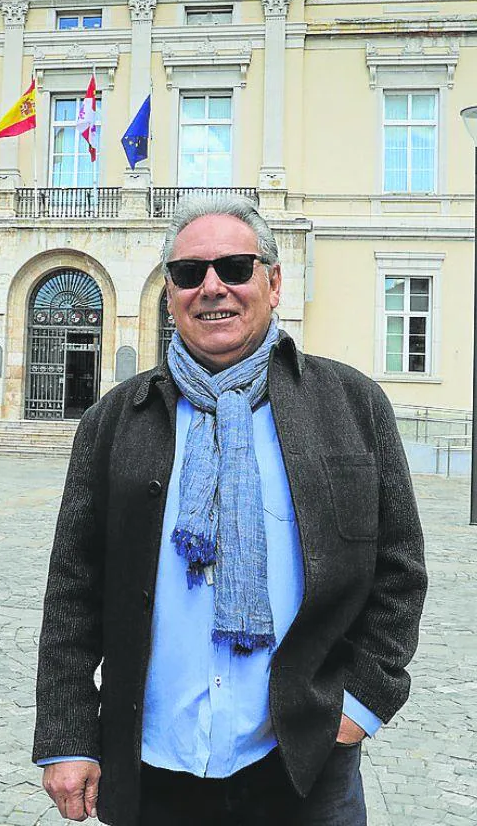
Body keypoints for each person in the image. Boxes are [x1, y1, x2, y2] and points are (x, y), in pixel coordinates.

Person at [34, 194, 428, 826]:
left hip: (301, 760)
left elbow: (398, 570)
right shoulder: (113, 422)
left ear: (272, 282)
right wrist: (69, 736)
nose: (212, 287)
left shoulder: (351, 406)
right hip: (154, 763)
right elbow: (74, 591)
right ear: (170, 295)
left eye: (235, 268)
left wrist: (361, 702)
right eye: (190, 274)